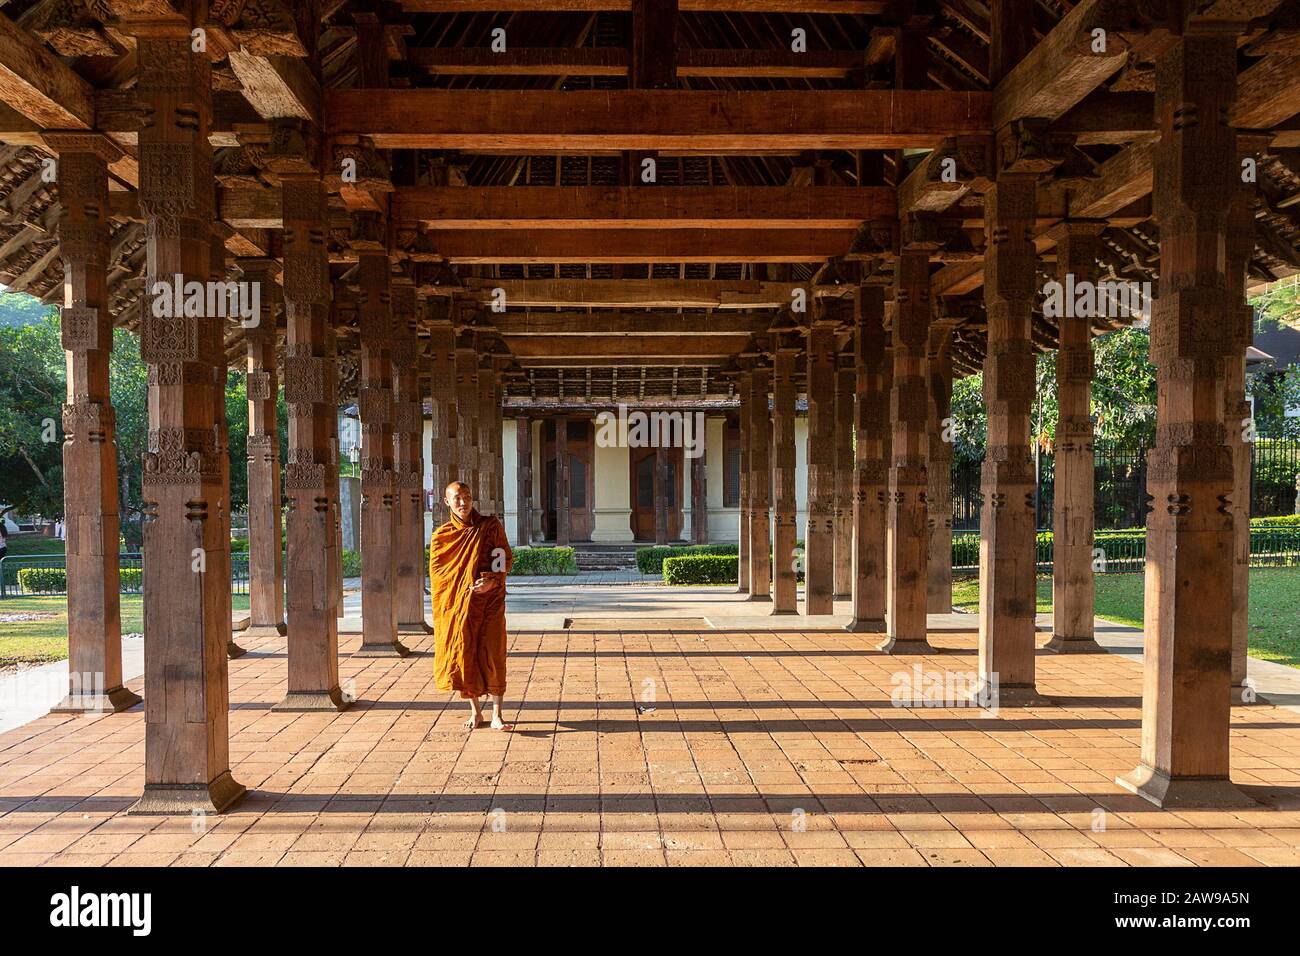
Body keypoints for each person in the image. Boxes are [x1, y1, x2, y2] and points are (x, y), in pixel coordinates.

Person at [428, 481, 514, 730]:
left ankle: (497, 714)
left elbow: (503, 559)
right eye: (457, 498)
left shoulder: (490, 527)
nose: (463, 503)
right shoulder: (442, 537)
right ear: (447, 502)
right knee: (465, 654)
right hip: (459, 608)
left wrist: (491, 581)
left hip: (489, 603)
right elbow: (440, 579)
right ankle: (476, 712)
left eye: (467, 497)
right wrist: (457, 596)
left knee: (494, 653)